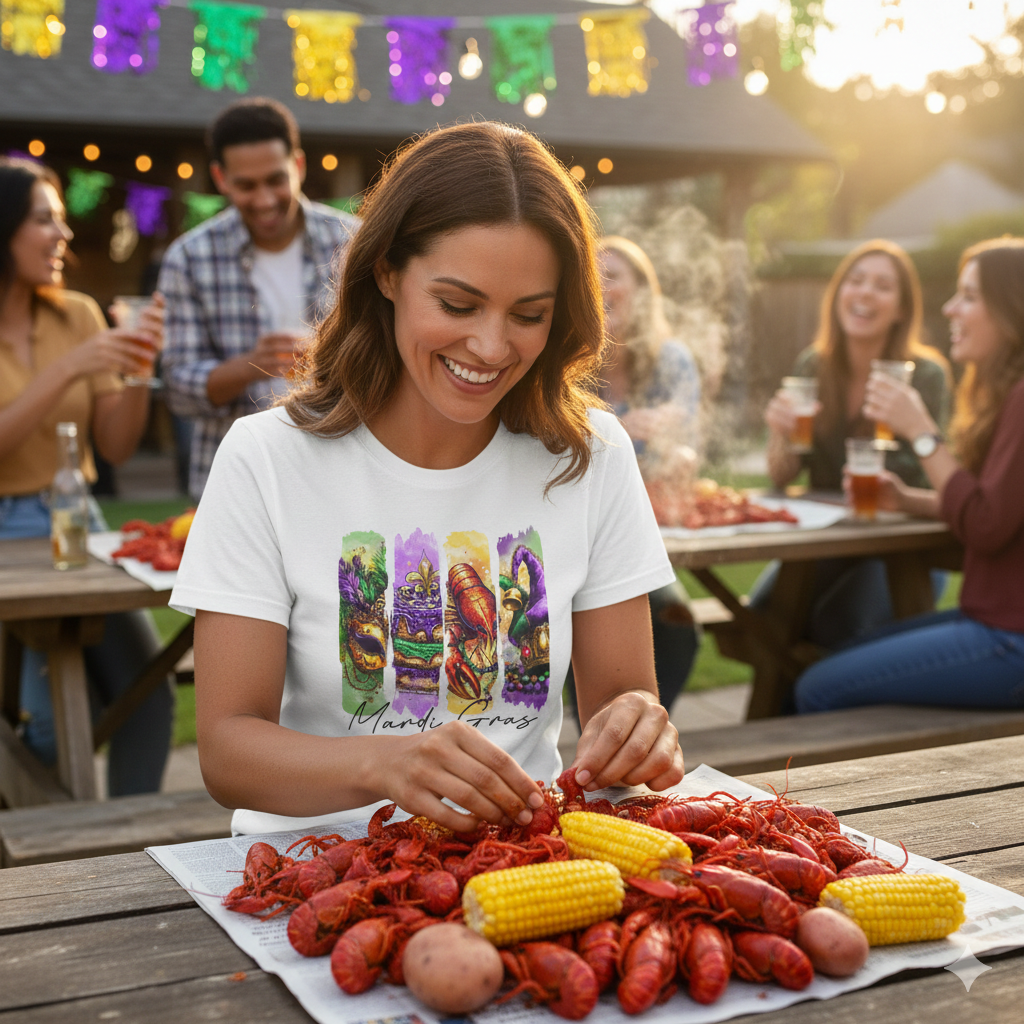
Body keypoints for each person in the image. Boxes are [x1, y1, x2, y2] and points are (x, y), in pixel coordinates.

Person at [170, 122, 685, 837]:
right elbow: (228, 751)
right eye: (457, 304)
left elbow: (621, 703)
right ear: (385, 271)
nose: (491, 346)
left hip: (517, 859)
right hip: (312, 873)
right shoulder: (265, 458)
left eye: (529, 315)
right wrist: (384, 766)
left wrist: (637, 728)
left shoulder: (591, 451)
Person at [0, 157, 174, 795]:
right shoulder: (75, 343)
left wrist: (137, 370)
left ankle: (131, 859)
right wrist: (71, 369)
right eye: (44, 220)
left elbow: (117, 446)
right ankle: (48, 883)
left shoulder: (77, 313)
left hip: (77, 521)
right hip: (6, 530)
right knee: (43, 728)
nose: (62, 236)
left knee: (147, 695)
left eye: (62, 221)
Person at [795, 238, 1024, 712]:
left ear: (1010, 310)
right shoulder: (1008, 395)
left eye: (969, 296)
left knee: (817, 687)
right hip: (994, 621)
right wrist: (907, 500)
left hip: (1010, 638)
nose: (950, 307)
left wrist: (921, 432)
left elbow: (986, 525)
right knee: (824, 662)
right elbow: (995, 506)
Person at [754, 239, 952, 651]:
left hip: (906, 546)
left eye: (882, 285)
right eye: (856, 280)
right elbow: (782, 475)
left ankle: (808, 707)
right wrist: (779, 431)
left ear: (901, 308)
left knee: (840, 626)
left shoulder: (924, 375)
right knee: (764, 615)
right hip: (831, 538)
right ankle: (790, 709)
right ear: (838, 294)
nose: (864, 292)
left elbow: (933, 480)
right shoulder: (814, 365)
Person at [159, 97, 359, 500]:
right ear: (220, 178)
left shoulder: (352, 241)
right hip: (234, 480)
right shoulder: (190, 257)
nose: (265, 199)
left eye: (276, 180)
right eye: (246, 186)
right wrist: (249, 366)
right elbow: (177, 388)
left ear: (298, 166)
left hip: (341, 469)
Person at [596, 235, 702, 713]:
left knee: (676, 626)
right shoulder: (565, 356)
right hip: (581, 527)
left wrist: (677, 452)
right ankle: (602, 733)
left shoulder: (670, 360)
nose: (599, 283)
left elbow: (691, 449)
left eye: (613, 275)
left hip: (649, 529)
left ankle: (629, 735)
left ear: (644, 293)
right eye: (591, 273)